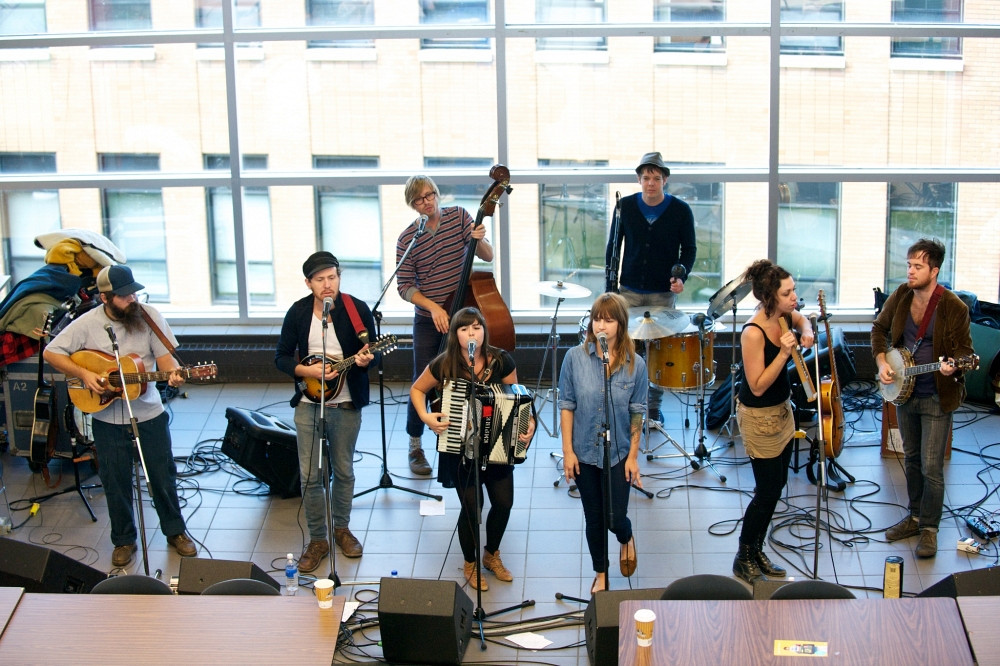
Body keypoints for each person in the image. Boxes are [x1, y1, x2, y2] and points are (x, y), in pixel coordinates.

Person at [44, 265, 197, 568]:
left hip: (149, 414)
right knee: (115, 481)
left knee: (162, 475)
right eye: (125, 295)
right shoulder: (86, 323)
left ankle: (175, 531)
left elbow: (166, 361)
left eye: (134, 292)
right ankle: (124, 539)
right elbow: (52, 352)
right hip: (107, 419)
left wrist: (174, 375)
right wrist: (85, 373)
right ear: (105, 298)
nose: (133, 298)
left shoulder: (148, 316)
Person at [409, 307, 535, 591]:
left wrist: (529, 424)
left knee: (504, 503)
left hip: (496, 447)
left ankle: (492, 555)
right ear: (455, 334)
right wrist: (426, 416)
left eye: (476, 328)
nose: (471, 334)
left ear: (484, 331)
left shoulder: (501, 361)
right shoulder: (445, 363)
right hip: (458, 449)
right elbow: (417, 390)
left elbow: (516, 399)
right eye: (464, 329)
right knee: (471, 507)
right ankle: (470, 563)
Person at [275, 251, 376, 573]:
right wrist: (307, 373)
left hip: (346, 404)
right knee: (310, 477)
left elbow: (376, 354)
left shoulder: (357, 310)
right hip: (309, 404)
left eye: (332, 277)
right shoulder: (299, 313)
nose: (327, 284)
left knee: (344, 471)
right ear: (309, 283)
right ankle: (318, 539)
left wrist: (366, 360)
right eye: (320, 280)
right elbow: (280, 357)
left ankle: (342, 529)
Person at [873, 238, 973, 559]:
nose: (910, 271)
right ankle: (914, 517)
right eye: (909, 265)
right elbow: (879, 328)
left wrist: (952, 369)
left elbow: (965, 353)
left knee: (932, 467)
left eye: (918, 266)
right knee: (912, 459)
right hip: (905, 393)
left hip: (935, 397)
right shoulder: (902, 295)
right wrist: (882, 362)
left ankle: (929, 529)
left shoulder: (954, 306)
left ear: (935, 270)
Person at [396, 175, 493, 475]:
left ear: (437, 194)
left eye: (429, 196)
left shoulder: (459, 216)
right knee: (422, 379)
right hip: (429, 319)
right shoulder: (407, 239)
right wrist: (433, 307)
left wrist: (480, 238)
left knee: (475, 373)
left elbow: (487, 257)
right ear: (412, 206)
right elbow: (404, 286)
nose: (426, 203)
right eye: (418, 200)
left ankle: (478, 435)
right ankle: (415, 444)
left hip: (463, 315)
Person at [731, 260, 814, 584]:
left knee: (778, 485)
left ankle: (757, 548)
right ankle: (743, 556)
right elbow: (757, 385)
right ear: (770, 297)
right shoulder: (752, 333)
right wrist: (782, 353)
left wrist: (805, 330)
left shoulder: (782, 313)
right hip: (759, 418)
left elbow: (801, 318)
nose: (794, 297)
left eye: (793, 290)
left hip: (782, 411)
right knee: (766, 491)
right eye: (788, 292)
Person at [558, 292, 646, 595]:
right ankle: (601, 573)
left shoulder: (637, 365)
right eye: (597, 318)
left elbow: (637, 414)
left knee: (614, 518)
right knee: (593, 517)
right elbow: (567, 405)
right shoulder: (574, 358)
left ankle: (627, 536)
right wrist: (568, 452)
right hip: (584, 452)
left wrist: (633, 457)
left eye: (609, 319)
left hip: (619, 452)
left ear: (621, 325)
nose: (601, 325)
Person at [605, 151, 697, 423]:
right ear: (639, 179)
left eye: (656, 178)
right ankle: (626, 404)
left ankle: (652, 407)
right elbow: (613, 246)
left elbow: (689, 249)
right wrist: (611, 288)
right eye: (646, 178)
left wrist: (681, 276)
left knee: (658, 356)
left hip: (662, 293)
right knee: (625, 350)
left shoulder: (680, 211)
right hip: (629, 291)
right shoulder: (626, 207)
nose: (651, 183)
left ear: (664, 180)